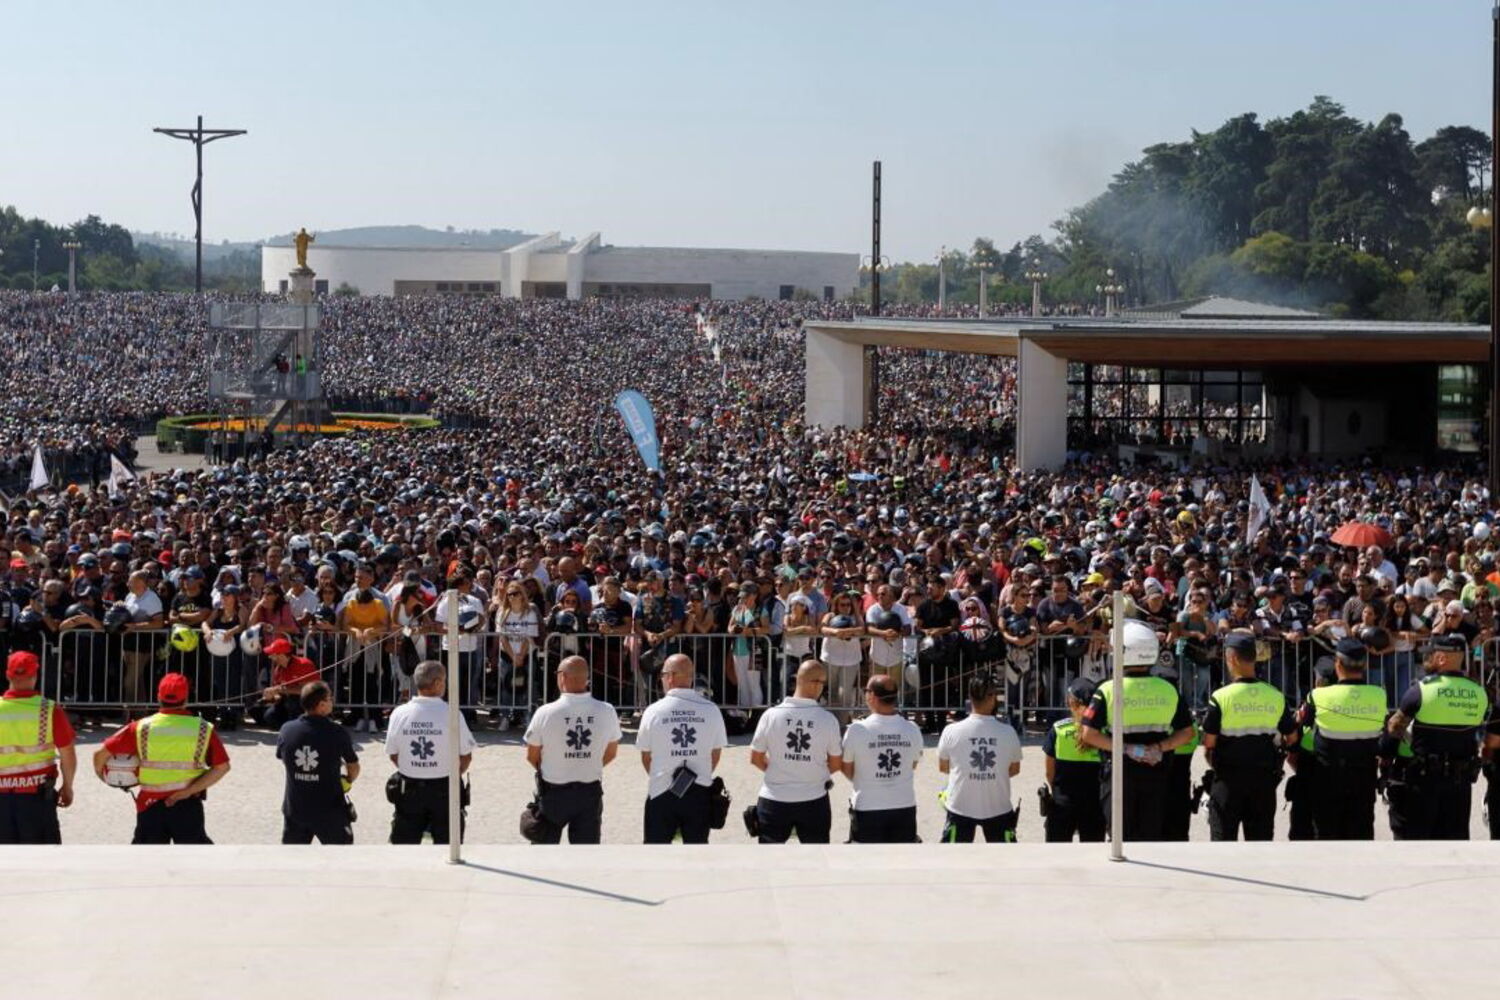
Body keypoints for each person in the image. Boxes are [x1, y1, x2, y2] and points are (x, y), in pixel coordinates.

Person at [1078, 620, 1195, 842]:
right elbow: (1187, 732)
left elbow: (1089, 734)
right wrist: (1158, 747)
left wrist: (1128, 749)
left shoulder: (1108, 690)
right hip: (1157, 771)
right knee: (1151, 834)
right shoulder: (1168, 689)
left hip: (1120, 772)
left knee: (1121, 837)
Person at [93, 673, 231, 844]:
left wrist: (106, 778)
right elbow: (222, 767)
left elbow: (99, 756)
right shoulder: (203, 728)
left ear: (158, 697)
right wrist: (188, 791)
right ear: (186, 698)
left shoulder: (140, 727)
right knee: (195, 857)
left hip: (150, 805)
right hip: (187, 805)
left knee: (147, 858)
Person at [1385, 634, 1490, 839]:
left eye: (1430, 655)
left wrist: (1390, 752)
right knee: (1454, 841)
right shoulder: (1479, 692)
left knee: (1418, 840)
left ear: (1441, 658)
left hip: (1423, 780)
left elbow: (1394, 727)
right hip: (1460, 783)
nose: (1425, 659)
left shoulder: (1422, 690)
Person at [1200, 632, 1295, 841]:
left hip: (1228, 780)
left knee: (1223, 843)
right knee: (1260, 843)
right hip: (1263, 781)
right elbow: (1292, 738)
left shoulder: (1220, 697)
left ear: (1232, 658)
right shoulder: (1275, 695)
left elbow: (1209, 744)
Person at [523, 654, 621, 844]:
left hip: (554, 792)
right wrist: (587, 765)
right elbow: (611, 753)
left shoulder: (545, 713)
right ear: (586, 679)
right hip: (589, 791)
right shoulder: (607, 711)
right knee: (586, 852)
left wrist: (557, 767)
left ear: (562, 677)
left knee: (544, 851)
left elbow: (532, 756)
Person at [1294, 637, 1386, 840]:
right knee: (1361, 836)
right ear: (1364, 665)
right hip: (1363, 780)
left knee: (1326, 838)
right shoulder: (1379, 695)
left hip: (1326, 779)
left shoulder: (1318, 696)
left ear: (1338, 664)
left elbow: (1302, 730)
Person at [637, 652, 727, 844]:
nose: (661, 680)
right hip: (699, 790)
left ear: (670, 677)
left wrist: (662, 777)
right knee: (697, 851)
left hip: (661, 790)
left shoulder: (653, 712)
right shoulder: (711, 710)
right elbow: (715, 754)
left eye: (662, 675)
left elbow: (646, 756)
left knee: (656, 851)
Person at [749, 659, 842, 843]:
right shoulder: (827, 720)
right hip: (814, 799)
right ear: (816, 684)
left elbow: (755, 758)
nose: (822, 687)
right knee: (817, 855)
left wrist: (780, 770)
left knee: (768, 857)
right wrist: (811, 773)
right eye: (822, 683)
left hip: (774, 797)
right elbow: (836, 764)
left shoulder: (771, 715)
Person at [385, 660, 475, 844]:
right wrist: (447, 772)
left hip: (409, 789)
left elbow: (393, 754)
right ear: (437, 683)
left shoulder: (399, 714)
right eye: (444, 680)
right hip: (444, 788)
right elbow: (466, 755)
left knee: (404, 846)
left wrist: (415, 768)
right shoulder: (452, 713)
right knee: (447, 845)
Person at [0, 651, 76, 843]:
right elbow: (67, 753)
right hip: (37, 799)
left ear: (8, 675)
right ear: (35, 675)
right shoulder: (49, 710)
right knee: (42, 857)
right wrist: (67, 787)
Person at [937, 673, 1023, 842]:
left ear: (970, 698)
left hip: (960, 806)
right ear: (993, 698)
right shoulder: (1008, 732)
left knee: (953, 856)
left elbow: (943, 767)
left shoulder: (951, 731)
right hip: (998, 807)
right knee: (1005, 856)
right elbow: (1014, 770)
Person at [841, 673, 924, 843]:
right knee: (902, 857)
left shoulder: (856, 730)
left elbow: (847, 768)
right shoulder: (912, 729)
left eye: (866, 691)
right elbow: (912, 764)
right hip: (904, 805)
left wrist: (867, 779)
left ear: (871, 696)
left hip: (867, 806)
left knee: (867, 857)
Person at [275, 680, 360, 844]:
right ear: (321, 705)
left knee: (292, 856)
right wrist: (348, 780)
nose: (332, 701)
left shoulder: (287, 730)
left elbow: (284, 759)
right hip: (330, 811)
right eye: (330, 698)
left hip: (296, 809)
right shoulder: (337, 732)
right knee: (341, 855)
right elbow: (353, 766)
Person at [1042, 678, 1105, 842]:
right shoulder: (1102, 733)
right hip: (1094, 803)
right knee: (1093, 852)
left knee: (1058, 852)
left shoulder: (1058, 729)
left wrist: (1056, 791)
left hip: (1062, 803)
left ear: (1071, 702)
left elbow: (1049, 772)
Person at [260, 637, 320, 730]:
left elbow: (307, 690)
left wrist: (280, 690)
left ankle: (301, 727)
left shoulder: (303, 664)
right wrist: (272, 696)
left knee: (292, 703)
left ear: (281, 655)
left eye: (273, 654)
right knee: (270, 716)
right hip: (288, 700)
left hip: (307, 701)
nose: (270, 657)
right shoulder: (278, 669)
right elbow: (279, 695)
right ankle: (289, 728)